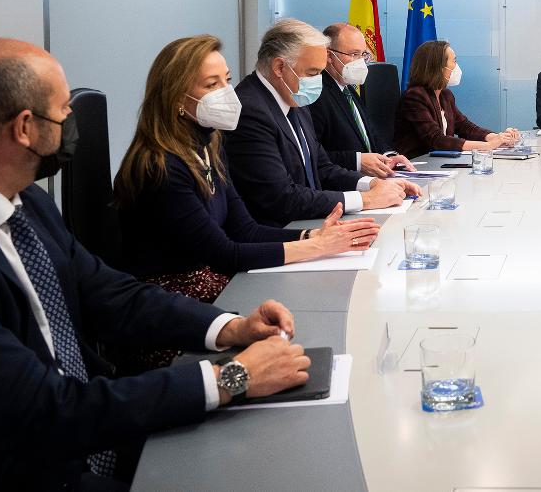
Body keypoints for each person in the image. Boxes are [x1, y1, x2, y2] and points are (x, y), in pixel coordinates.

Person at [0, 38, 311, 489]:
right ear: (24, 128)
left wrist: (231, 327)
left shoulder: (28, 203)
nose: (73, 122)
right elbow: (43, 410)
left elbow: (114, 293)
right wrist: (232, 378)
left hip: (94, 427)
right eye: (63, 110)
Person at [114, 35, 379, 322]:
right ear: (176, 97)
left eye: (227, 80)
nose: (227, 92)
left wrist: (312, 235)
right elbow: (224, 253)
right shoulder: (160, 166)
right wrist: (317, 247)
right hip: (170, 305)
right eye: (211, 84)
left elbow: (246, 230)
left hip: (214, 283)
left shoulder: (208, 147)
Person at [224, 19, 418, 227]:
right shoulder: (250, 110)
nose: (319, 80)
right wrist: (366, 199)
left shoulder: (294, 96)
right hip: (280, 232)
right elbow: (281, 197)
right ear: (279, 67)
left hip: (313, 221)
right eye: (313, 73)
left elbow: (322, 166)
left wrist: (373, 184)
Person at [308, 22, 415, 177]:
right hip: (342, 183)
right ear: (329, 56)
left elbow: (370, 134)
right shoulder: (317, 93)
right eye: (354, 54)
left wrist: (389, 156)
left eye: (363, 54)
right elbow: (312, 154)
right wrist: (357, 161)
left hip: (372, 178)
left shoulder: (349, 89)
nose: (360, 61)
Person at [394, 40, 519, 159]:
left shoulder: (445, 95)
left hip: (440, 162)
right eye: (454, 61)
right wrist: (487, 146)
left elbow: (465, 127)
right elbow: (436, 140)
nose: (456, 66)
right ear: (438, 67)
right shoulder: (414, 97)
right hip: (416, 164)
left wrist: (496, 137)